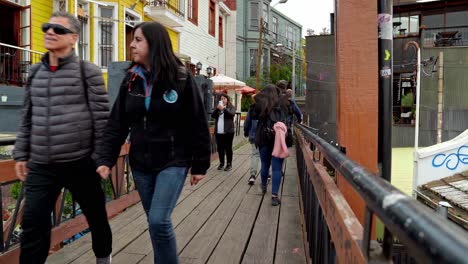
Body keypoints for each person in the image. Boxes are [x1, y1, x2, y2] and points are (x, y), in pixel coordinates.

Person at [95, 22, 211, 264]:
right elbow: (117, 124)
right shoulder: (131, 79)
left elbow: (197, 122)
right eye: (132, 39)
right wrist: (106, 159)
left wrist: (200, 164)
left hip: (173, 160)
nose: (131, 44)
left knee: (159, 220)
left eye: (138, 40)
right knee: (155, 222)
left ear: (154, 43)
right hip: (141, 163)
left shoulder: (180, 78)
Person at [13, 12, 112, 264]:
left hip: (80, 163)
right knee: (33, 225)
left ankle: (103, 258)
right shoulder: (35, 72)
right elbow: (27, 116)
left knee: (96, 217)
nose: (49, 32)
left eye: (57, 29)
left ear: (73, 38)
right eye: (47, 27)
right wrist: (21, 153)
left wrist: (102, 158)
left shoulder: (87, 71)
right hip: (41, 165)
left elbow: (102, 118)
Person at [254, 84, 291, 206]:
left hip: (264, 138)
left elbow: (253, 116)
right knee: (277, 168)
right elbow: (294, 114)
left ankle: (263, 186)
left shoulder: (260, 105)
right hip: (278, 138)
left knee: (265, 164)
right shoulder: (283, 104)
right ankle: (274, 196)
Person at [211, 93, 236, 171]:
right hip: (219, 132)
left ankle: (229, 164)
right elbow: (213, 115)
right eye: (221, 99)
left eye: (224, 99)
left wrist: (224, 109)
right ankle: (221, 163)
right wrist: (217, 109)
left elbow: (231, 114)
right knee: (220, 148)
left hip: (228, 132)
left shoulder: (231, 107)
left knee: (228, 148)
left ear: (227, 100)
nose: (223, 100)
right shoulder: (218, 108)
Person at [243, 94, 259, 184]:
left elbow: (247, 121)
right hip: (265, 136)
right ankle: (267, 174)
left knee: (255, 154)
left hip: (254, 135)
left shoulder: (252, 108)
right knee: (266, 156)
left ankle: (253, 175)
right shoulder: (266, 107)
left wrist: (246, 131)